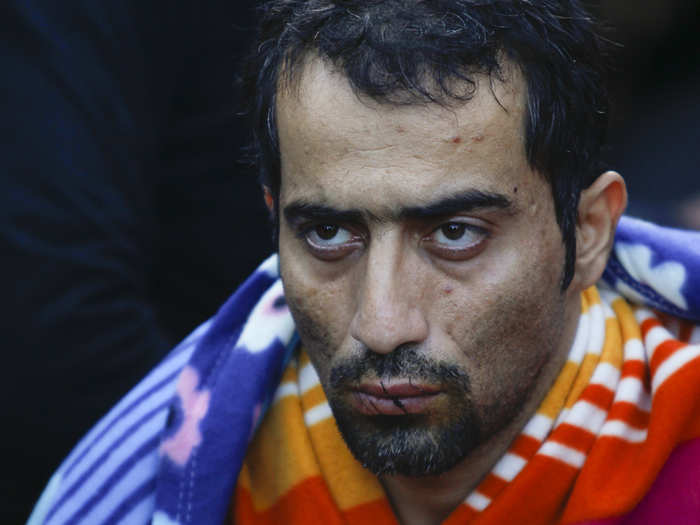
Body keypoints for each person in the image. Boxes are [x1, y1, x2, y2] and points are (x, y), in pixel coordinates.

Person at [28, 1, 700, 524]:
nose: (381, 323)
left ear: (587, 234)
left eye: (457, 233)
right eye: (327, 232)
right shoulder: (209, 475)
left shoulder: (684, 459)